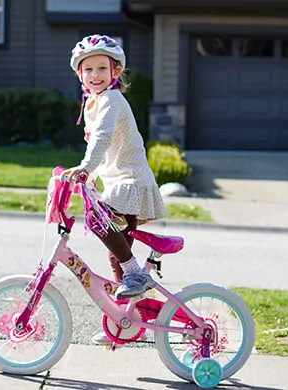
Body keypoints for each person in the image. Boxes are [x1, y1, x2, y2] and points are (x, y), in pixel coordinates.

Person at [62, 34, 167, 345]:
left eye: (101, 69)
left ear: (115, 72)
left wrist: (85, 168)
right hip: (120, 182)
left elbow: (102, 139)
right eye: (88, 69)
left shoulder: (111, 100)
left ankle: (136, 275)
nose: (95, 76)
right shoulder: (95, 103)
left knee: (98, 223)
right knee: (115, 255)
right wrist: (91, 177)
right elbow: (105, 149)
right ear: (79, 74)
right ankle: (125, 320)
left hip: (130, 182)